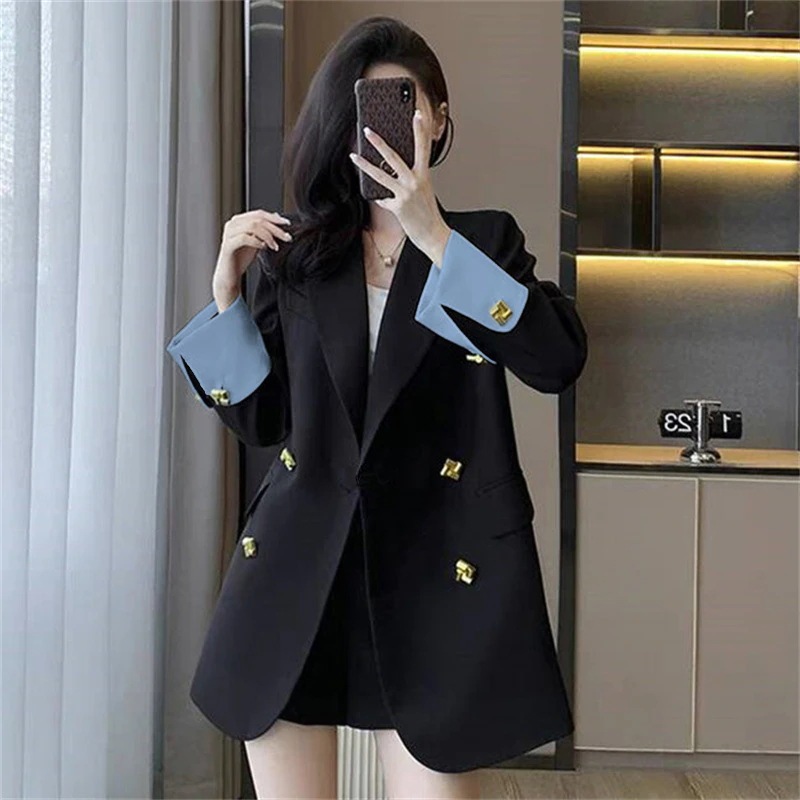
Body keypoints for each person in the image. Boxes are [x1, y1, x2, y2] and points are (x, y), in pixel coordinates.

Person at [166, 15, 588, 800]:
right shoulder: (299, 255)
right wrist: (226, 297)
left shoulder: (481, 243)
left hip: (440, 572)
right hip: (298, 573)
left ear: (439, 121)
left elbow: (556, 361)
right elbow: (262, 422)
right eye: (368, 105)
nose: (388, 123)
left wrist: (436, 240)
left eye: (406, 102)